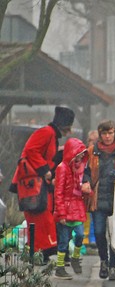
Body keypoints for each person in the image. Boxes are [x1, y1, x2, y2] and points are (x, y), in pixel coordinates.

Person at [10, 106, 75, 263]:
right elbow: (32, 151)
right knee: (41, 216)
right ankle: (40, 252)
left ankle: (39, 252)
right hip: (34, 182)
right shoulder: (47, 133)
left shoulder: (50, 134)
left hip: (33, 183)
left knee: (40, 217)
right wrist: (45, 170)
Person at [86, 120, 115, 280]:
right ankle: (103, 261)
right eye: (104, 133)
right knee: (99, 232)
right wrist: (86, 182)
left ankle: (113, 267)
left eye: (110, 133)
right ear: (100, 135)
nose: (107, 137)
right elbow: (86, 172)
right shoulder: (92, 151)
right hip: (98, 197)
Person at [52, 138, 91, 279]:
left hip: (76, 206)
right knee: (63, 240)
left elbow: (77, 187)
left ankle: (75, 258)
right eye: (79, 153)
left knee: (80, 235)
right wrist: (61, 213)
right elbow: (59, 192)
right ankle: (60, 267)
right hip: (66, 208)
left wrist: (86, 190)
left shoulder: (78, 168)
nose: (81, 156)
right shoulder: (62, 168)